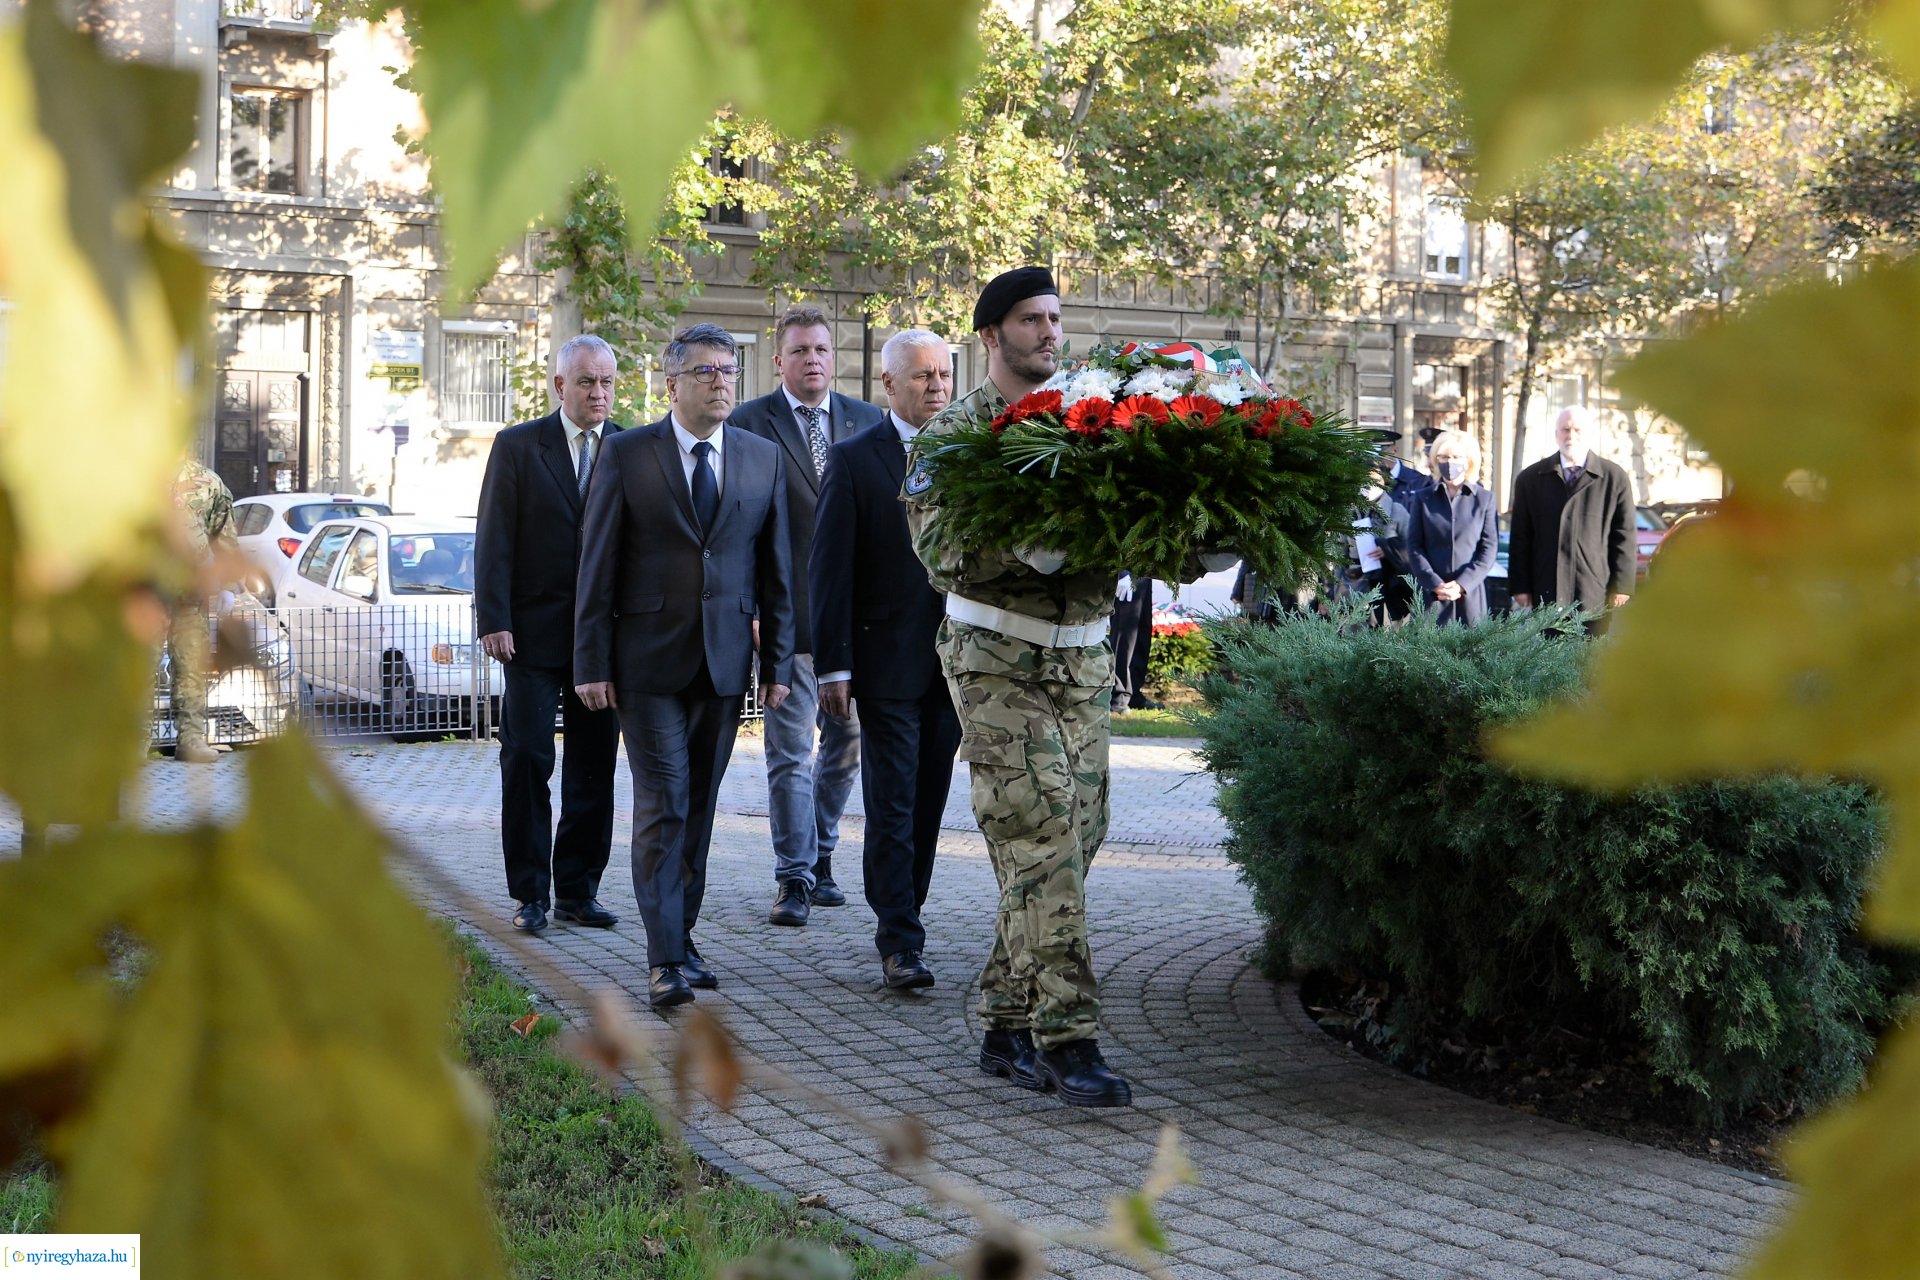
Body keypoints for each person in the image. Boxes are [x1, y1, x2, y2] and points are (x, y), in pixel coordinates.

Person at [903, 265, 1133, 1108]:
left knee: (1082, 833)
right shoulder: (954, 433)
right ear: (991, 335)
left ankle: (1004, 1014)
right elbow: (938, 553)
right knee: (1039, 836)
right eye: (1031, 319)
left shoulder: (1091, 422)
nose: (1049, 332)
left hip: (1082, 659)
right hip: (996, 655)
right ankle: (1065, 1039)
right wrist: (1027, 549)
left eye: (1055, 318)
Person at [574, 323, 796, 1010]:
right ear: (672, 383)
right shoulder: (630, 453)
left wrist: (778, 660)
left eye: (730, 370)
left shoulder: (762, 458)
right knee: (664, 802)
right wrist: (589, 659)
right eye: (706, 372)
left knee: (698, 809)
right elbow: (598, 562)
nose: (722, 382)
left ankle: (684, 936)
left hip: (726, 662)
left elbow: (777, 570)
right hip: (646, 663)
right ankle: (665, 958)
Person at [811, 328, 962, 991]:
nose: (936, 386)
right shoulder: (853, 459)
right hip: (884, 661)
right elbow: (829, 569)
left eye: (944, 375)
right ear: (889, 385)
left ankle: (910, 912)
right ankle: (899, 938)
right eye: (923, 375)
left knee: (929, 799)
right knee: (893, 801)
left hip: (955, 663)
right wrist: (834, 666)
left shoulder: (968, 454)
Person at [731, 305, 885, 926]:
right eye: (800, 351)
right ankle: (792, 876)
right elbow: (738, 528)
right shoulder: (748, 424)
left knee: (846, 747)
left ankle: (821, 853)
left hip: (852, 622)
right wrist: (753, 611)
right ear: (779, 361)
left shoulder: (867, 421)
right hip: (784, 621)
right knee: (789, 752)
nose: (813, 360)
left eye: (822, 349)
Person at [475, 335, 625, 935]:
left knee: (593, 767)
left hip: (603, 643)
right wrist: (495, 618)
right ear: (560, 386)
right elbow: (494, 537)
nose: (599, 393)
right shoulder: (518, 447)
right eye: (587, 382)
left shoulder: (629, 447)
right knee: (528, 758)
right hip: (532, 634)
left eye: (608, 382)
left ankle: (578, 892)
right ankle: (531, 893)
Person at [1508, 406, 1636, 622]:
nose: (1571, 436)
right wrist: (1520, 586)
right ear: (1556, 434)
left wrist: (1621, 586)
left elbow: (1624, 535)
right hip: (1546, 588)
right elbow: (1521, 537)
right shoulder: (1530, 479)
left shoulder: (1614, 478)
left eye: (1578, 430)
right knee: (1547, 653)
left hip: (1594, 588)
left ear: (1590, 434)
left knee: (1591, 654)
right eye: (1565, 430)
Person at [169, 458, 237, 764]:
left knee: (192, 668)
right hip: (144, 596)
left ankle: (191, 739)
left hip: (190, 596)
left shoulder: (207, 481)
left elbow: (223, 535)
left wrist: (227, 585)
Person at [1406, 429, 1499, 625]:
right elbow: (1414, 546)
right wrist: (1434, 583)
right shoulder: (1423, 498)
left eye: (1456, 457)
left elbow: (1488, 549)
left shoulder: (1484, 499)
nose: (1450, 462)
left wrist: (1462, 584)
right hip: (1433, 597)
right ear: (1436, 459)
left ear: (1469, 460)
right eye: (1444, 457)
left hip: (1470, 597)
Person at [1107, 572, 1159, 714]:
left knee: (1141, 634)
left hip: (1143, 569)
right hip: (1128, 569)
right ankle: (1117, 696)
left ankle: (1133, 693)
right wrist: (1121, 573)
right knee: (1124, 638)